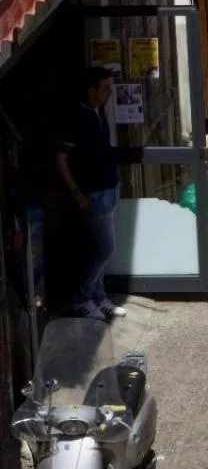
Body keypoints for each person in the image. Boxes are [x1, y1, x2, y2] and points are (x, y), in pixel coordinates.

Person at [57, 66, 124, 320]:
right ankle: (82, 298)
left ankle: (99, 297)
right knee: (105, 249)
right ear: (91, 91)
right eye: (105, 88)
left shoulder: (99, 112)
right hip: (93, 194)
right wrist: (77, 193)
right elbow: (60, 159)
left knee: (100, 248)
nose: (109, 93)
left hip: (108, 189)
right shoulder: (77, 116)